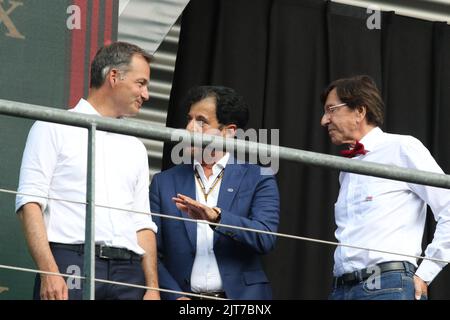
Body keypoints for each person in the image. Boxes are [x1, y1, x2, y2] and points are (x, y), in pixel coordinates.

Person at [15, 42, 160, 300]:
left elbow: (142, 223)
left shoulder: (137, 146)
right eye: (141, 83)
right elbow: (29, 202)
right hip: (71, 260)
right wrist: (49, 271)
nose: (146, 94)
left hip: (129, 272)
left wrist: (152, 288)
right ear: (113, 77)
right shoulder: (52, 126)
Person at [320, 75, 450, 300]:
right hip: (341, 289)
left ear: (360, 111)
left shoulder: (402, 148)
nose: (324, 120)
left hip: (388, 286)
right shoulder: (348, 166)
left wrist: (425, 274)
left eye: (331, 110)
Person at [150, 86, 280, 300]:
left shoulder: (259, 177)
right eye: (189, 119)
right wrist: (174, 296)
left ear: (228, 132)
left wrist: (218, 219)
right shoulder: (164, 182)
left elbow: (265, 238)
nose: (190, 128)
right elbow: (152, 251)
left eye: (201, 122)